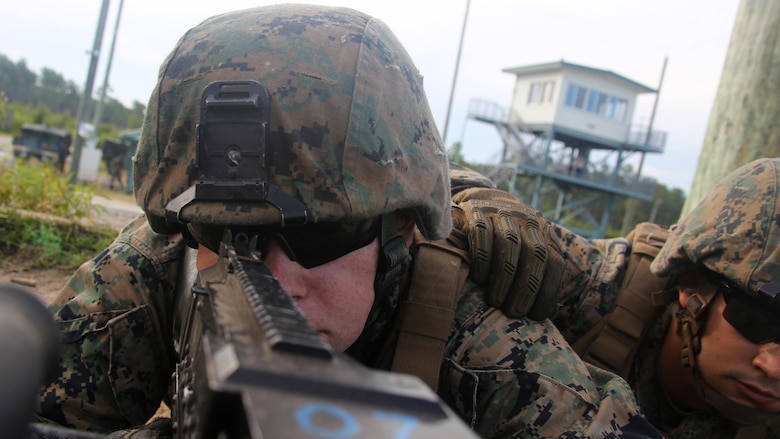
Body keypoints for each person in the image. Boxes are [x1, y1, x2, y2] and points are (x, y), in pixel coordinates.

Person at [31, 4, 659, 438]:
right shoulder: (148, 269)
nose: (277, 280)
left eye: (319, 236)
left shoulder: (481, 341)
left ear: (401, 230)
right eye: (223, 235)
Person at [458, 157, 780, 438]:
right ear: (692, 285)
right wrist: (475, 196)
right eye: (758, 319)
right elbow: (418, 171)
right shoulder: (592, 287)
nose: (775, 368)